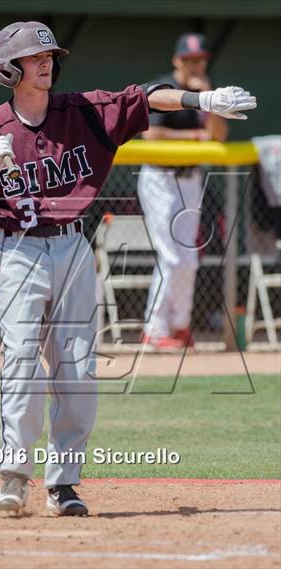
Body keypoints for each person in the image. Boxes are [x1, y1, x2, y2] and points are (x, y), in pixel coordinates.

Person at [0, 22, 256, 515]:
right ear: (10, 68)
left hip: (72, 250)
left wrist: (204, 101)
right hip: (18, 253)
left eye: (49, 54)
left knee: (77, 374)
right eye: (33, 57)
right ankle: (14, 477)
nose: (45, 62)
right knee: (22, 366)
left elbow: (147, 97)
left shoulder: (83, 112)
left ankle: (63, 484)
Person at [137, 33, 229, 351]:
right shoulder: (164, 89)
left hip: (190, 179)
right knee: (172, 255)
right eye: (189, 59)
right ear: (177, 60)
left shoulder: (206, 92)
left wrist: (210, 100)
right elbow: (151, 134)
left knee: (189, 258)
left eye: (200, 59)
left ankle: (179, 325)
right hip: (160, 179)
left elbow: (218, 136)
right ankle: (154, 328)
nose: (195, 64)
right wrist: (195, 136)